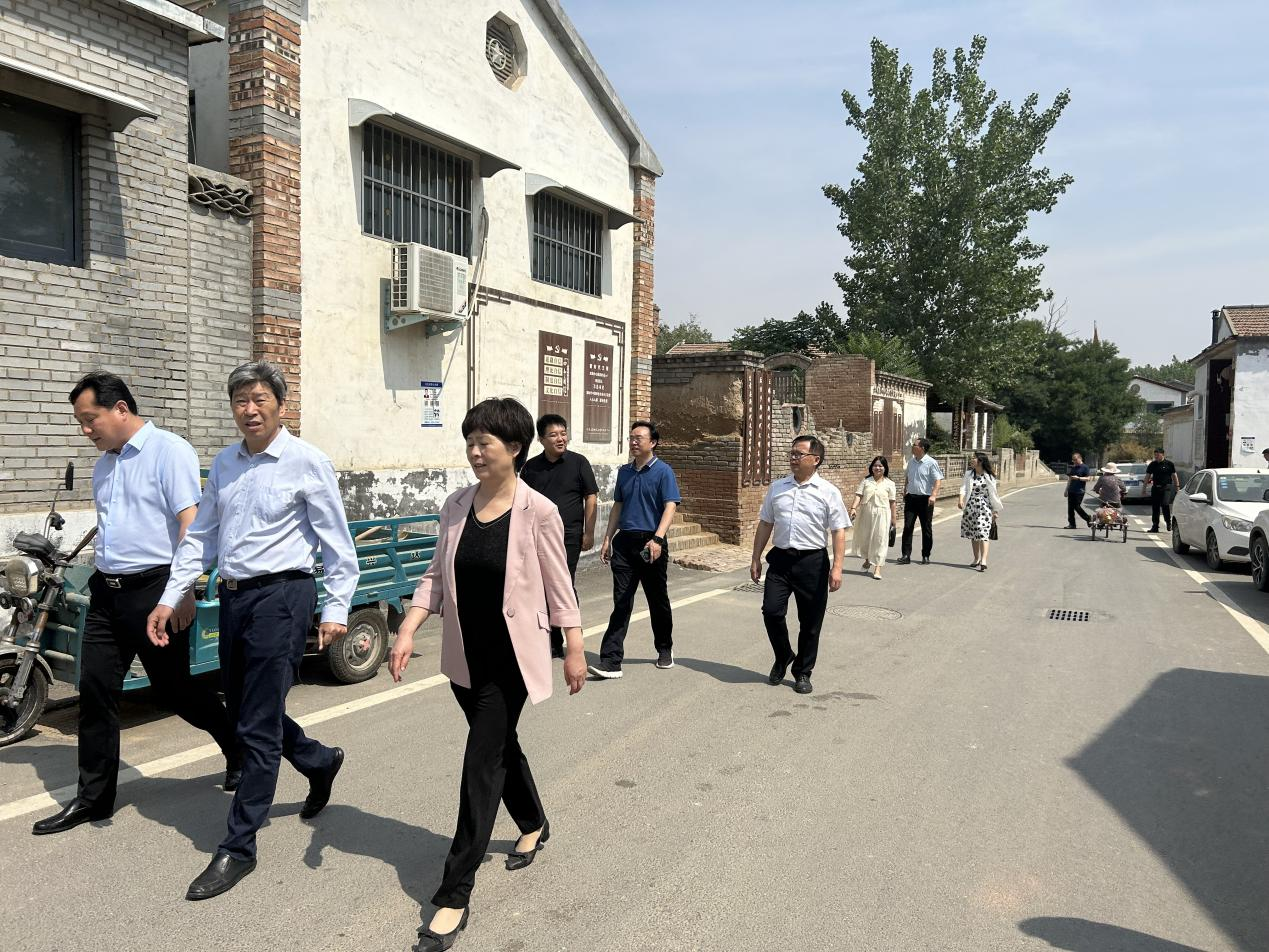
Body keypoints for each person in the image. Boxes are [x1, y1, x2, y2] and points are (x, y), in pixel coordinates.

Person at [146, 361, 358, 901]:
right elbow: (202, 537)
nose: (250, 409)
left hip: (284, 597)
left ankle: (239, 846)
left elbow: (337, 545)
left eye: (260, 399)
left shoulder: (307, 462)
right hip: (235, 597)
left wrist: (335, 609)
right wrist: (171, 595)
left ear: (280, 406)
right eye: (241, 400)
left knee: (256, 726)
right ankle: (319, 760)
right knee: (245, 710)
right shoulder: (225, 463)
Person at [388, 397, 586, 952]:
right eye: (470, 442)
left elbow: (559, 585)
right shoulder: (455, 505)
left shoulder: (538, 511)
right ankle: (533, 821)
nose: (475, 452)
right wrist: (408, 628)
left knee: (480, 763)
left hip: (511, 661)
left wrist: (574, 645)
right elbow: (435, 575)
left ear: (514, 448)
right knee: (500, 748)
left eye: (485, 443)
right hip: (465, 657)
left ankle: (454, 892)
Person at [32, 373, 239, 837]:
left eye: (91, 419)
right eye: (81, 422)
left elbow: (190, 524)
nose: (86, 430)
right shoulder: (104, 465)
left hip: (156, 591)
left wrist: (182, 591)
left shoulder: (170, 451)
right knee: (96, 690)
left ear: (121, 409)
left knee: (175, 690)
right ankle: (93, 799)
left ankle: (237, 748)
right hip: (108, 593)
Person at [749, 436, 850, 694]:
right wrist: (755, 557)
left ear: (815, 460)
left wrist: (837, 567)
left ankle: (803, 672)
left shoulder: (828, 491)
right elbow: (766, 523)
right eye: (792, 453)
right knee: (772, 611)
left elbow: (838, 530)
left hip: (812, 562)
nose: (793, 457)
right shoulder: (778, 487)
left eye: (799, 454)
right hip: (781, 560)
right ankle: (783, 654)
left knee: (811, 622)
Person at [588, 421, 682, 680]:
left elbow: (670, 506)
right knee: (621, 602)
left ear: (653, 442)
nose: (633, 442)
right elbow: (618, 506)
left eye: (639, 437)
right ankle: (611, 661)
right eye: (631, 437)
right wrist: (607, 538)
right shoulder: (624, 472)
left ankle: (664, 648)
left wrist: (658, 539)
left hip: (651, 543)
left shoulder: (663, 471)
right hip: (625, 543)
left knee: (657, 600)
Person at [520, 414, 598, 659]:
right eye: (553, 435)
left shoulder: (578, 462)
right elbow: (522, 501)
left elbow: (591, 496)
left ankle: (574, 639)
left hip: (569, 536)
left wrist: (589, 532)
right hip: (537, 537)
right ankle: (552, 642)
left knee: (563, 585)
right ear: (541, 439)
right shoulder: (531, 467)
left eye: (563, 433)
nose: (560, 438)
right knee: (541, 587)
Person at [847, 455, 897, 580]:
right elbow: (859, 495)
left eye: (880, 466)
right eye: (875, 465)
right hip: (866, 513)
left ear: (885, 468)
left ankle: (877, 567)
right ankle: (867, 560)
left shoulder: (890, 484)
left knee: (880, 540)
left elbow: (892, 502)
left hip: (882, 514)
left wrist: (893, 519)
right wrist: (853, 508)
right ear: (872, 467)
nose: (878, 468)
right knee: (865, 539)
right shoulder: (866, 481)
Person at [897, 438, 943, 564]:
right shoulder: (911, 462)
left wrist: (933, 495)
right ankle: (906, 555)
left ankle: (926, 555)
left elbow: (938, 480)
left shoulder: (931, 462)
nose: (912, 446)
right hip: (911, 498)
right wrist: (905, 490)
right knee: (908, 526)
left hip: (925, 499)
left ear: (922, 448)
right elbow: (908, 478)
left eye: (915, 445)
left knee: (926, 527)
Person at [958, 453, 1004, 572]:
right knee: (974, 534)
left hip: (985, 507)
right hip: (970, 507)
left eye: (974, 458)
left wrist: (995, 511)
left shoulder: (989, 476)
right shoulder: (969, 474)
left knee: (983, 533)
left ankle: (984, 560)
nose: (972, 459)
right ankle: (976, 558)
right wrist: (960, 500)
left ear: (980, 461)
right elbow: (963, 488)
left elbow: (993, 494)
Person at [1145, 448, 1180, 532]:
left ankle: (1168, 522)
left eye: (1157, 455)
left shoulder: (1169, 464)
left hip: (1166, 488)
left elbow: (1174, 476)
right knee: (1155, 507)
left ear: (1162, 454)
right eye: (1155, 455)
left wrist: (1177, 487)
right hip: (1155, 488)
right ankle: (1155, 526)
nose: (1156, 456)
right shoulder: (1152, 464)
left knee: (1165, 505)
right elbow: (1147, 476)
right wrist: (1144, 488)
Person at [1065, 452, 1093, 529]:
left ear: (1080, 458)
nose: (1074, 461)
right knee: (1070, 508)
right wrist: (1066, 490)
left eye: (1075, 460)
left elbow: (1088, 478)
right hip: (1071, 490)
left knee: (1077, 507)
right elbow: (1070, 479)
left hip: (1079, 491)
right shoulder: (1073, 468)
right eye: (1073, 460)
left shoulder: (1085, 467)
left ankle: (1088, 518)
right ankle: (1072, 524)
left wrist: (1079, 478)